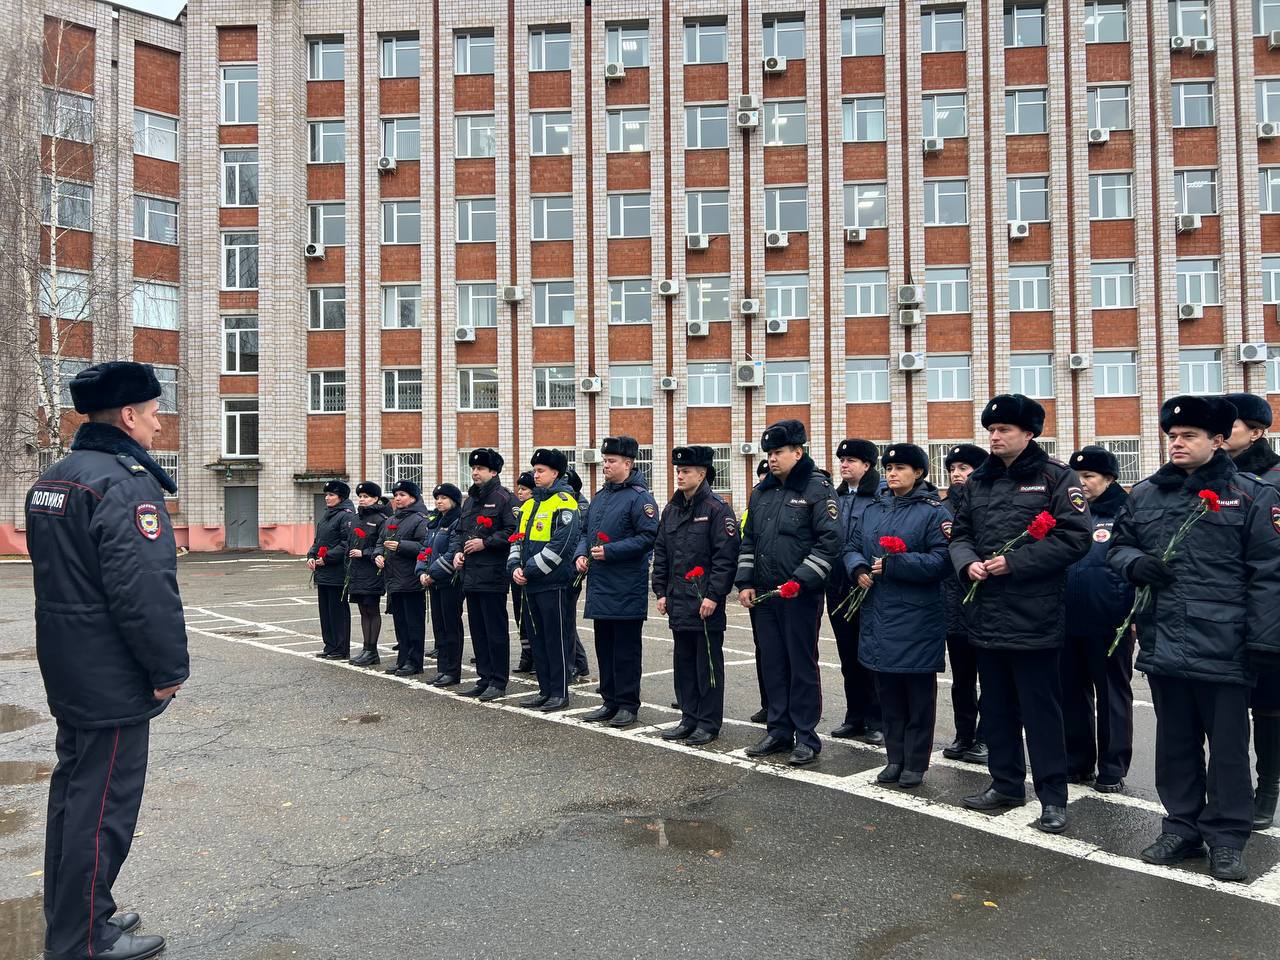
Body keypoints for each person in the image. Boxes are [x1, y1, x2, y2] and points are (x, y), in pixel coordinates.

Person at [26, 361, 187, 960]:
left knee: (74, 795)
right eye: (151, 413)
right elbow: (142, 588)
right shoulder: (124, 483)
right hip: (111, 670)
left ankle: (79, 914)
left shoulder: (56, 477)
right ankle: (83, 940)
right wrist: (168, 669)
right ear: (126, 416)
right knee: (101, 808)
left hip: (69, 662)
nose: (157, 425)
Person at [1109, 395, 1280, 881]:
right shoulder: (1144, 495)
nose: (1177, 443)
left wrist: (1265, 641)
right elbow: (1118, 546)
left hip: (1225, 643)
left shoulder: (1251, 495)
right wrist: (1132, 564)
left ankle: (1227, 838)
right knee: (1176, 742)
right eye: (1172, 437)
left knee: (1227, 748)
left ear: (1218, 441)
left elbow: (1269, 574)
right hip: (1164, 640)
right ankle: (1182, 826)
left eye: (1188, 437)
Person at [948, 394, 1091, 834]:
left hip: (1035, 615)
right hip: (986, 613)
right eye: (991, 430)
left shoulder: (1056, 479)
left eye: (1004, 429)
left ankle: (1052, 797)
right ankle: (1005, 782)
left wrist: (1016, 562)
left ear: (1028, 433)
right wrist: (965, 561)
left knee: (1041, 710)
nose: (994, 436)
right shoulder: (979, 483)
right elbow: (960, 533)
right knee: (996, 707)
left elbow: (1075, 538)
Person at [735, 420, 842, 766]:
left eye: (779, 452)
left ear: (799, 452)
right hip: (766, 595)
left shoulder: (817, 488)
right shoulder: (761, 491)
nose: (773, 458)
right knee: (773, 663)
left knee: (801, 664)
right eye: (770, 453)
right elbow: (749, 540)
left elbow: (830, 542)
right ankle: (778, 730)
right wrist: (746, 583)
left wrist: (801, 580)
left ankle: (806, 737)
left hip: (799, 595)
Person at [844, 444, 951, 788]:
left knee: (917, 694)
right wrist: (858, 567)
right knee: (887, 692)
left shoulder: (934, 512)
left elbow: (943, 560)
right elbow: (851, 546)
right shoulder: (875, 508)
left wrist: (896, 564)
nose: (892, 473)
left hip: (917, 615)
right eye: (888, 468)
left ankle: (915, 763)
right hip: (879, 612)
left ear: (919, 472)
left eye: (901, 468)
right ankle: (894, 758)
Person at [652, 446, 740, 744]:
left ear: (702, 474)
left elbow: (725, 558)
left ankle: (708, 722)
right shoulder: (672, 509)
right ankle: (689, 717)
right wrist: (660, 591)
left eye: (686, 470)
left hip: (705, 604)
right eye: (678, 470)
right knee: (684, 664)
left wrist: (714, 596)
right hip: (678, 602)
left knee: (707, 665)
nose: (680, 475)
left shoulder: (716, 509)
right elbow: (661, 552)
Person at [1061, 445, 1135, 793]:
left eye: (1089, 476)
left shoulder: (1125, 512)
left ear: (1109, 478)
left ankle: (1112, 766)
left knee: (1111, 695)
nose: (1082, 483)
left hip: (1110, 621)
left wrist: (1132, 612)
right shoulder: (1066, 512)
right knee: (1071, 693)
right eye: (1076, 477)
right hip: (1067, 619)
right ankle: (1077, 761)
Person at [1222, 392, 1280, 830]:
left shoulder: (1275, 479)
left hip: (1269, 609)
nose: (1222, 433)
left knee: (1270, 707)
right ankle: (1231, 789)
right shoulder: (1212, 476)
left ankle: (1268, 789)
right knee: (1226, 707)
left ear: (1256, 432)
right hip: (1222, 611)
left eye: (1232, 425)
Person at [575, 437, 659, 728]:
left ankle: (627, 704)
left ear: (628, 464)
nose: (606, 466)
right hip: (600, 584)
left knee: (625, 649)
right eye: (604, 460)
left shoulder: (640, 498)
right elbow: (585, 532)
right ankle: (608, 700)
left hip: (626, 586)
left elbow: (649, 537)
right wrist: (581, 555)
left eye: (611, 461)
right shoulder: (600, 497)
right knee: (605, 646)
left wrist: (611, 551)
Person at [508, 449, 581, 711]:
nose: (535, 475)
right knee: (537, 638)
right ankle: (544, 689)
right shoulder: (528, 505)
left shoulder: (564, 501)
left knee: (556, 638)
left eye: (541, 471)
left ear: (556, 473)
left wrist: (529, 570)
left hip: (554, 583)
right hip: (531, 583)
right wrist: (515, 566)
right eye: (535, 470)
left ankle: (559, 692)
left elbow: (563, 545)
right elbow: (517, 539)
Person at [828, 438, 885, 745]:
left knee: (870, 655)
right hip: (837, 585)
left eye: (851, 460)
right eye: (842, 460)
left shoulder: (880, 497)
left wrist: (865, 566)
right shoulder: (835, 498)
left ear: (867, 465)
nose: (844, 465)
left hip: (868, 585)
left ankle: (877, 719)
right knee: (848, 655)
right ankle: (855, 716)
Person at [449, 449, 517, 701]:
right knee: (477, 629)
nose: (475, 473)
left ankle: (498, 681)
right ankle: (484, 677)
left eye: (481, 469)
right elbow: (460, 532)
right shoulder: (470, 501)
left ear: (493, 472)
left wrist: (485, 543)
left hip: (492, 574)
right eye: (473, 468)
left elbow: (512, 532)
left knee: (494, 630)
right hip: (471, 575)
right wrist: (457, 553)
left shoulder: (504, 498)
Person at [940, 443, 988, 764]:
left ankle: (986, 738)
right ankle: (963, 734)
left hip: (986, 605)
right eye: (953, 469)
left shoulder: (988, 504)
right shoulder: (940, 508)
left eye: (964, 469)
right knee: (962, 679)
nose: (957, 474)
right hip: (953, 605)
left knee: (992, 679)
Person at [374, 480, 431, 676]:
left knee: (413, 623)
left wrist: (400, 546)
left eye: (402, 495)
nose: (397, 499)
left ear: (413, 498)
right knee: (400, 623)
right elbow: (380, 542)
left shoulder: (420, 519)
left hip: (411, 579)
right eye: (395, 495)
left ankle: (415, 662)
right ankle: (403, 659)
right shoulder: (391, 520)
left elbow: (425, 547)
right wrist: (378, 555)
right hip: (393, 579)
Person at [417, 484, 465, 687]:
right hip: (433, 581)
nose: (439, 501)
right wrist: (421, 571)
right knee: (439, 627)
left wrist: (433, 573)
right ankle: (442, 668)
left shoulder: (457, 521)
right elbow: (424, 549)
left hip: (449, 581)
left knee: (450, 626)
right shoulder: (434, 522)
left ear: (453, 501)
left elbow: (453, 550)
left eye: (443, 498)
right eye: (437, 498)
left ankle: (452, 671)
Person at [308, 480, 354, 660]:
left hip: (336, 571)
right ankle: (330, 645)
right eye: (326, 495)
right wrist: (311, 555)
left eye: (331, 495)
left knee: (337, 611)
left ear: (340, 497)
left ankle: (341, 648)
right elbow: (318, 540)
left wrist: (325, 559)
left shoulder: (346, 515)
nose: (327, 498)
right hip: (323, 572)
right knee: (325, 611)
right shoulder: (328, 515)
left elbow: (345, 543)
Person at [346, 482, 390, 667]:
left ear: (376, 499)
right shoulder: (356, 518)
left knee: (372, 610)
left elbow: (382, 544)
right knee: (363, 610)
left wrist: (364, 553)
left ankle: (372, 650)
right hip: (356, 571)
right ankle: (366, 648)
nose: (362, 500)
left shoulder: (381, 519)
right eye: (361, 496)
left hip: (372, 571)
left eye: (366, 497)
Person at [743, 457, 771, 724]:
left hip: (786, 587)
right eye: (761, 475)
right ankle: (768, 703)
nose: (764, 479)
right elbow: (746, 542)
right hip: (758, 585)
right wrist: (744, 582)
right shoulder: (757, 501)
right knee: (763, 648)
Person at [565, 467, 592, 682]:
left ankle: (573, 665)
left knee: (566, 621)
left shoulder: (580, 507)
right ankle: (580, 664)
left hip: (571, 569)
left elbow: (578, 539)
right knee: (566, 621)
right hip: (563, 568)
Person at [511, 471, 536, 673]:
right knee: (520, 617)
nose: (520, 492)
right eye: (519, 489)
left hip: (532, 569)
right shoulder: (520, 510)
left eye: (525, 489)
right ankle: (526, 656)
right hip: (518, 568)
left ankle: (535, 657)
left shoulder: (535, 508)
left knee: (532, 618)